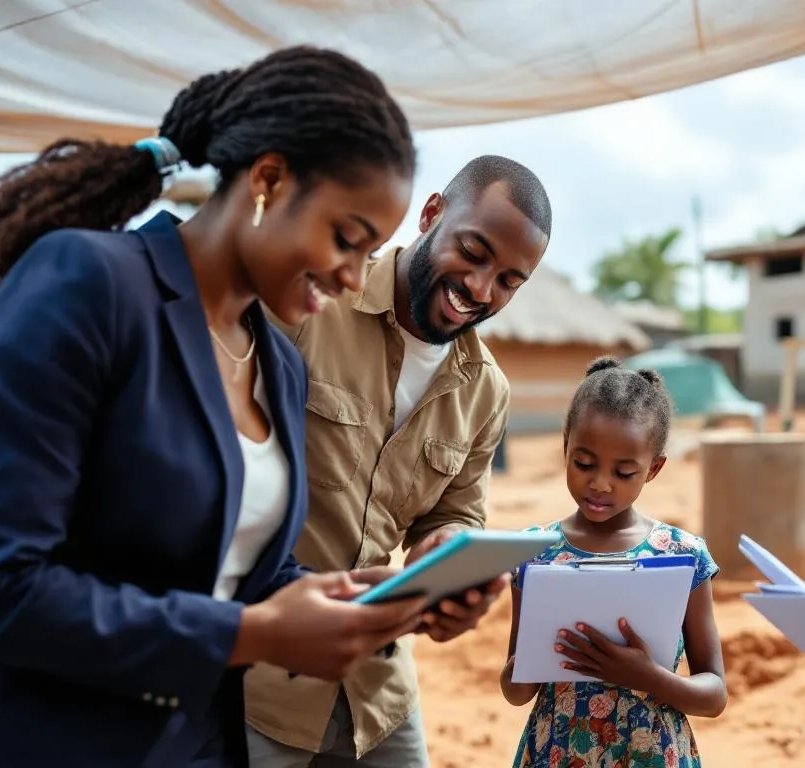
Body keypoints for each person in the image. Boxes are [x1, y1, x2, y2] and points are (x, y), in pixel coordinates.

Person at [0, 47, 434, 768]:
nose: (352, 276)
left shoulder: (277, 363)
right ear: (269, 180)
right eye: (347, 239)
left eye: (371, 253)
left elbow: (235, 567)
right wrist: (251, 636)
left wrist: (364, 597)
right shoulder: (88, 286)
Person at [243, 155, 553, 766]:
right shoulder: (315, 300)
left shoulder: (485, 391)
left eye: (511, 280)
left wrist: (449, 554)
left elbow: (457, 511)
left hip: (376, 687)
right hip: (259, 674)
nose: (482, 290)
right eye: (474, 250)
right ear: (431, 213)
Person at [501, 358, 728, 768]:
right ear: (565, 446)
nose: (600, 483)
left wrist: (650, 677)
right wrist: (530, 662)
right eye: (584, 463)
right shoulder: (534, 552)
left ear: (653, 469)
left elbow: (714, 695)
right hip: (559, 752)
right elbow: (516, 691)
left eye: (624, 472)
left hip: (651, 754)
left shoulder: (682, 555)